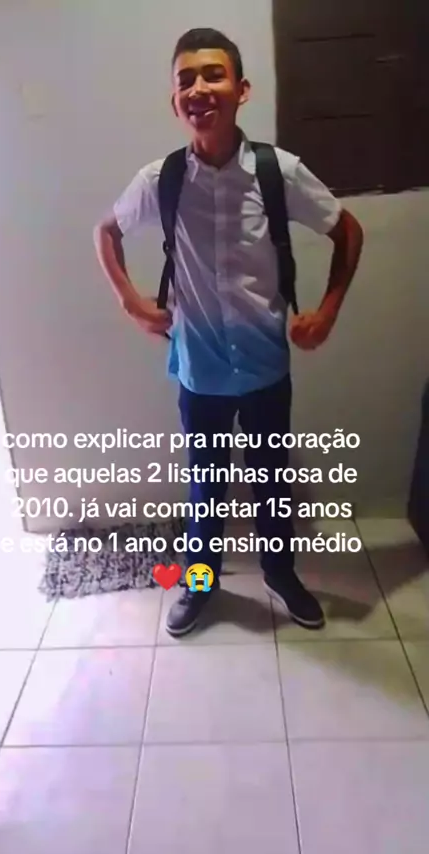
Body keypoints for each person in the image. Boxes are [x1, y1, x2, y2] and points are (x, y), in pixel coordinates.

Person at [94, 27, 364, 637]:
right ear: (174, 101)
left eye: (213, 75)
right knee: (206, 491)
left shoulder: (278, 172)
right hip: (201, 371)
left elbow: (347, 231)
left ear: (242, 90)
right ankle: (200, 583)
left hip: (266, 366)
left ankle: (281, 575)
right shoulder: (161, 179)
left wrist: (327, 311)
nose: (198, 88)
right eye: (185, 79)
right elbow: (105, 232)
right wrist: (132, 302)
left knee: (271, 483)